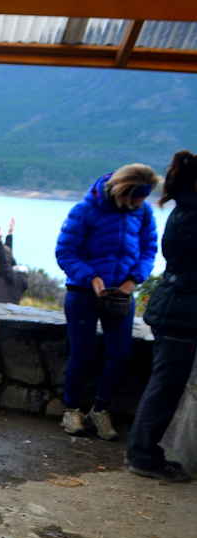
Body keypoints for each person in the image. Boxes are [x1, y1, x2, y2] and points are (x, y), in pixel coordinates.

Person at [56, 163, 159, 440]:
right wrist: (91, 277)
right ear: (122, 191)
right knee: (82, 352)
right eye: (135, 198)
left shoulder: (143, 212)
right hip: (82, 292)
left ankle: (100, 409)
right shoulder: (84, 211)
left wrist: (133, 280)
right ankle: (72, 409)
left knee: (119, 354)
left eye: (143, 198)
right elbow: (65, 252)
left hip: (121, 294)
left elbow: (149, 249)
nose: (139, 204)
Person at [126, 151, 197, 482]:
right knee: (165, 388)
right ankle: (143, 455)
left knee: (164, 386)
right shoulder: (192, 216)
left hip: (175, 307)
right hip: (181, 312)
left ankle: (144, 452)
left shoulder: (185, 210)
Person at [0, 219, 29, 304]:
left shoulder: (9, 276)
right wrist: (9, 234)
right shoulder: (13, 277)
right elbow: (7, 256)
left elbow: (4, 262)